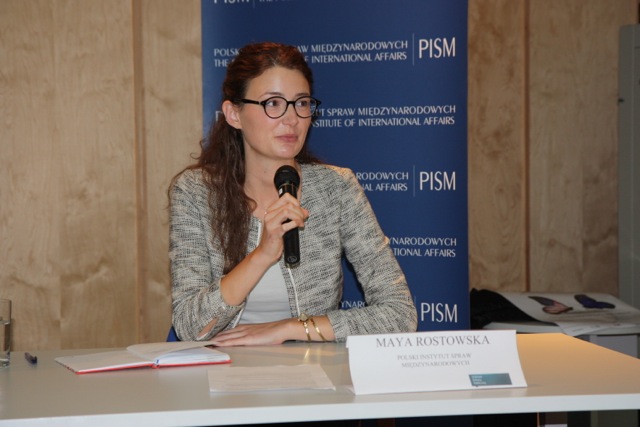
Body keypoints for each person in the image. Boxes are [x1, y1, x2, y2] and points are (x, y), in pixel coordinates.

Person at [169, 41, 417, 346]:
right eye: (273, 103)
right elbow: (190, 326)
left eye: (301, 103)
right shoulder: (196, 192)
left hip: (312, 365)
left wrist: (288, 329)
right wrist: (262, 254)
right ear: (234, 114)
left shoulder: (336, 188)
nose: (292, 119)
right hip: (223, 366)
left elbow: (399, 313)